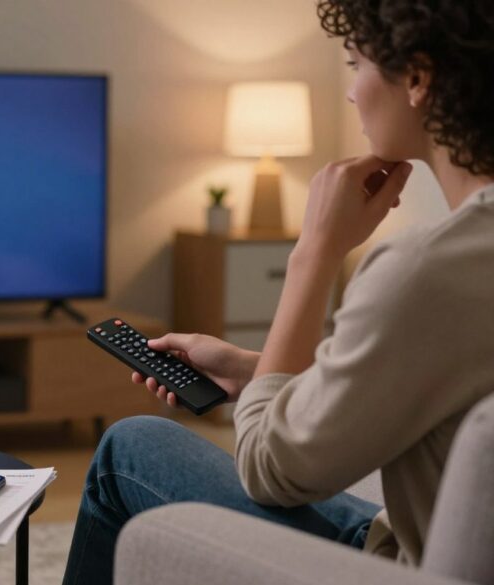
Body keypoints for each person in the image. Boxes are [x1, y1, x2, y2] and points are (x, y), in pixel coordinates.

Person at [63, 0, 494, 582]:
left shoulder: (424, 270)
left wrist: (313, 253)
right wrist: (254, 371)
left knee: (129, 448)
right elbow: (414, 384)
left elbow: (269, 469)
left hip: (395, 565)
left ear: (417, 78)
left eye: (355, 64)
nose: (350, 94)